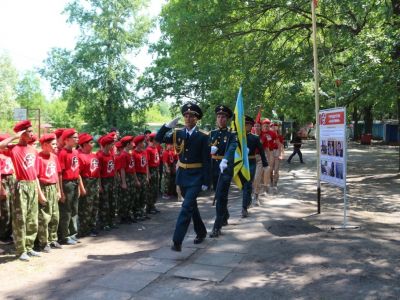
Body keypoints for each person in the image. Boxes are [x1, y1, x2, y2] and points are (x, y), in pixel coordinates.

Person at [156, 102, 210, 252]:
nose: (187, 118)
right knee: (191, 207)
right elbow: (158, 139)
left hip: (196, 177)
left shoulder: (203, 136)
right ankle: (201, 232)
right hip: (183, 175)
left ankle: (177, 241)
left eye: (191, 116)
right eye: (185, 115)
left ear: (196, 119)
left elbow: (207, 160)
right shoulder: (177, 134)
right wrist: (167, 126)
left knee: (186, 207)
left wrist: (206, 181)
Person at [0, 120, 44, 261]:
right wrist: (15, 136)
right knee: (21, 220)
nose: (32, 133)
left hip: (32, 185)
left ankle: (29, 247)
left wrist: (39, 192)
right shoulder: (14, 148)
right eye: (29, 131)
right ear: (22, 133)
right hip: (21, 185)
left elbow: (36, 174)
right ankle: (21, 250)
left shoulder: (33, 150)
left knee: (32, 219)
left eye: (32, 131)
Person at [209, 105, 237, 238]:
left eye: (223, 117)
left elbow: (232, 148)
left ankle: (217, 226)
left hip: (225, 168)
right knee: (219, 193)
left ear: (227, 119)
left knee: (220, 195)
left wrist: (225, 159)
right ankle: (225, 215)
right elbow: (206, 148)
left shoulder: (231, 134)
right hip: (213, 167)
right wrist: (209, 150)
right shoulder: (211, 133)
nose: (221, 119)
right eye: (219, 116)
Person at [36, 134, 62, 252]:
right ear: (45, 145)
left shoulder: (54, 157)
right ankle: (44, 242)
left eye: (56, 143)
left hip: (53, 187)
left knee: (55, 216)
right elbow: (36, 177)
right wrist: (40, 193)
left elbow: (56, 174)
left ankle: (53, 239)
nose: (55, 146)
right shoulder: (38, 157)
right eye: (53, 144)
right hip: (44, 187)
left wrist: (58, 190)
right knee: (44, 216)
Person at [58, 128, 82, 245]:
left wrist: (80, 185)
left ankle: (72, 233)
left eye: (77, 137)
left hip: (75, 182)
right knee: (66, 210)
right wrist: (61, 191)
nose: (77, 139)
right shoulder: (62, 153)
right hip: (66, 183)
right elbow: (60, 173)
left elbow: (77, 170)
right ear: (67, 140)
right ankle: (64, 235)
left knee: (74, 209)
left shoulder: (75, 152)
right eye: (75, 137)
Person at [242, 116, 268, 218]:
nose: (245, 126)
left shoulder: (255, 138)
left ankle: (244, 207)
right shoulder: (238, 137)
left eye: (247, 124)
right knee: (244, 186)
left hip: (252, 162)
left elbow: (262, 151)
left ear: (250, 126)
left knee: (250, 182)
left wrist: (265, 164)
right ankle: (247, 200)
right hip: (241, 163)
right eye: (243, 124)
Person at [77, 133, 100, 237]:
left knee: (94, 205)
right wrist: (82, 188)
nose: (93, 144)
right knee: (86, 207)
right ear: (84, 144)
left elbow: (98, 171)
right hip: (87, 182)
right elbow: (78, 174)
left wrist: (99, 185)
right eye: (90, 142)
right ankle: (84, 229)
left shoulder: (94, 155)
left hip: (95, 182)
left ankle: (92, 226)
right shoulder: (80, 156)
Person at [97, 133, 118, 230]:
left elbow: (113, 169)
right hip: (104, 181)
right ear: (106, 145)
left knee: (112, 201)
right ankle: (104, 222)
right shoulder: (99, 156)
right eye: (112, 144)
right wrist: (100, 185)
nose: (113, 146)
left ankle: (111, 221)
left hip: (111, 180)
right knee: (104, 202)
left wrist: (115, 180)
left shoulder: (111, 154)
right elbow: (99, 173)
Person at [0, 133, 15, 244]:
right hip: (3, 182)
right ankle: (3, 235)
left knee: (12, 208)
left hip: (11, 181)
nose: (8, 145)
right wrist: (2, 189)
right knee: (5, 210)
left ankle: (9, 233)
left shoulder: (9, 155)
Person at [131, 135, 150, 220]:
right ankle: (136, 213)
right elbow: (133, 168)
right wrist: (136, 180)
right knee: (137, 195)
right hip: (137, 175)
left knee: (143, 194)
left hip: (143, 175)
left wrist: (147, 176)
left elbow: (146, 164)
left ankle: (142, 212)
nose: (144, 143)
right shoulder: (133, 153)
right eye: (142, 142)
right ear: (138, 144)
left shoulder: (144, 152)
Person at [146, 133, 161, 214]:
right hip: (151, 170)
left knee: (155, 189)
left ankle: (153, 205)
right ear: (153, 140)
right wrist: (148, 174)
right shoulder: (148, 149)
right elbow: (147, 163)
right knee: (151, 189)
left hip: (156, 169)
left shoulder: (155, 148)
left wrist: (158, 172)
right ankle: (149, 206)